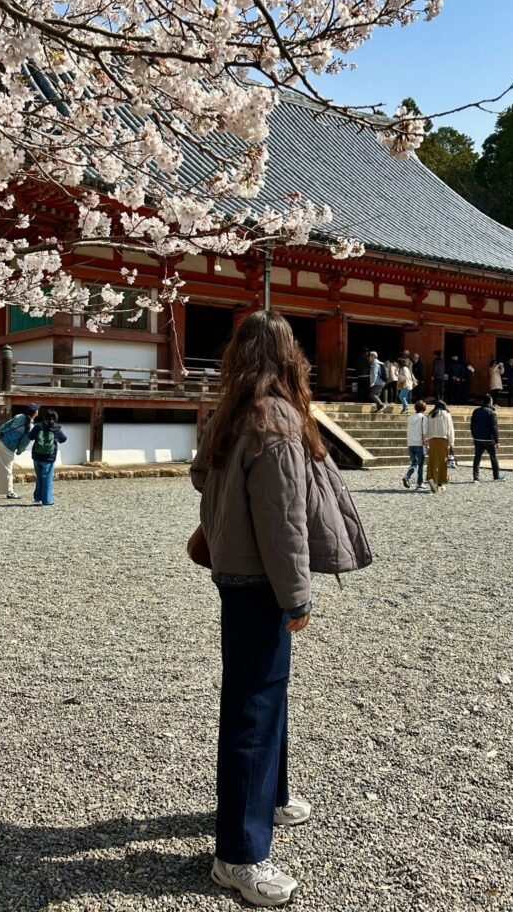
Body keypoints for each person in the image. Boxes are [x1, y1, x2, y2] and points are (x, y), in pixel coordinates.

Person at [190, 310, 371, 907]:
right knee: (254, 704)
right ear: (290, 356)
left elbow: (201, 479)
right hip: (261, 579)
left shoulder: (227, 414)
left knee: (262, 690)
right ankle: (238, 854)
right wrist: (297, 595)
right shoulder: (276, 420)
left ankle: (270, 796)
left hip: (230, 570)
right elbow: (283, 522)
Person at [0, 403, 40, 498]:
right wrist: (19, 451)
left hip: (0, 439)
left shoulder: (19, 416)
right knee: (7, 469)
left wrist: (0, 433)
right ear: (34, 413)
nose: (38, 411)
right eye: (37, 409)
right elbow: (24, 442)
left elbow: (5, 425)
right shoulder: (30, 427)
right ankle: (9, 492)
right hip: (8, 446)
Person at [28, 409, 67, 506]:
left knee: (40, 477)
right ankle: (47, 500)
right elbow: (63, 439)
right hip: (49, 458)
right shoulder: (56, 428)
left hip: (37, 456)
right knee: (47, 478)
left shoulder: (38, 427)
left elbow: (30, 436)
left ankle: (37, 498)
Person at [471, 394, 506, 483]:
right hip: (488, 439)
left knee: (477, 458)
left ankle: (475, 477)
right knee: (493, 458)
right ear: (490, 401)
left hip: (478, 438)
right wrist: (497, 440)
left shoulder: (476, 411)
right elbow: (494, 427)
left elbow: (472, 425)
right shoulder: (492, 413)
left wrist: (474, 435)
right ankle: (496, 476)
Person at [424, 399, 455, 493]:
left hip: (432, 440)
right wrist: (451, 443)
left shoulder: (430, 415)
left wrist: (427, 438)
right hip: (443, 440)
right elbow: (450, 429)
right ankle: (440, 483)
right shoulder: (446, 414)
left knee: (432, 460)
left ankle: (431, 478)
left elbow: (427, 429)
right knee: (442, 462)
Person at [402, 400, 427, 490]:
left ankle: (407, 476)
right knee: (420, 464)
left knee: (414, 463)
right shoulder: (423, 418)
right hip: (419, 443)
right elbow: (425, 431)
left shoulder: (410, 417)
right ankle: (420, 482)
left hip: (411, 442)